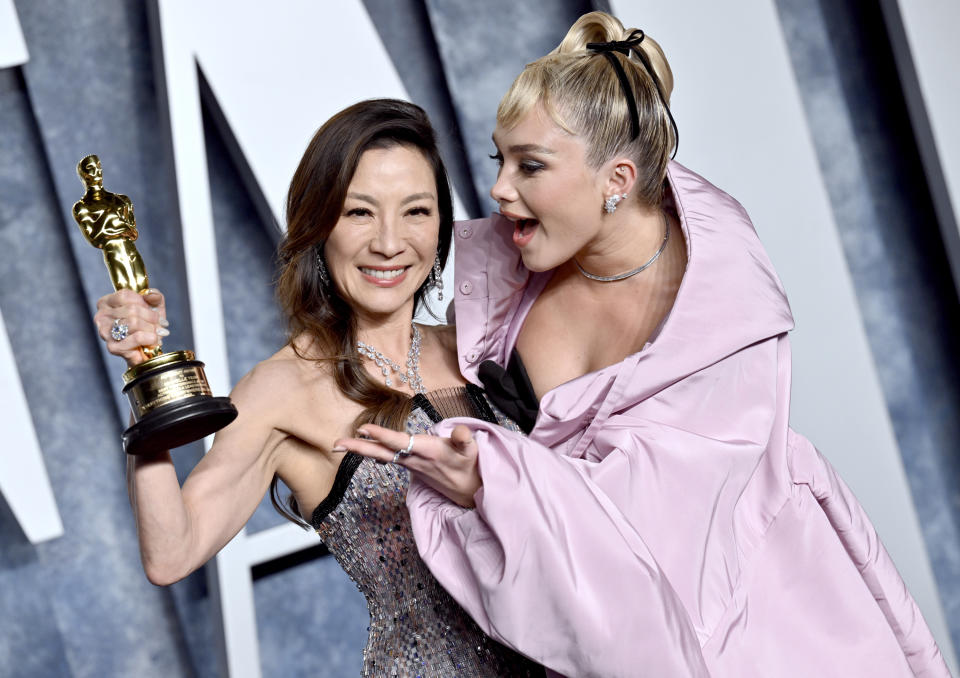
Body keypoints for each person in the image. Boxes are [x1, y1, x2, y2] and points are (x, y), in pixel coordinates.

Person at [337, 13, 952, 678]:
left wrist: (492, 479)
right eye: (500, 157)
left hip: (761, 623)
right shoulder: (512, 280)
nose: (498, 189)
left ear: (618, 180)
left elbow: (652, 543)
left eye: (531, 166)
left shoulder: (721, 329)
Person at [93, 99, 540, 677]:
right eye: (359, 212)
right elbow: (171, 554)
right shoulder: (281, 388)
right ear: (318, 222)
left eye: (416, 211)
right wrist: (144, 381)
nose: (388, 242)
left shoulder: (481, 344)